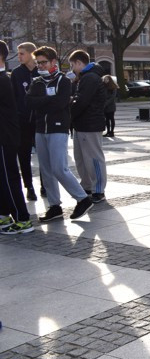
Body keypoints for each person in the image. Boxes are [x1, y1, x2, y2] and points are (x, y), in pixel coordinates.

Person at [27, 46, 94, 221]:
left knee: (59, 168)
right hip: (40, 128)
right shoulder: (37, 82)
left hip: (58, 128)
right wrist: (47, 101)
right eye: (38, 63)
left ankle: (82, 198)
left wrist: (43, 102)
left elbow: (60, 103)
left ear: (53, 62)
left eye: (44, 62)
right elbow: (29, 102)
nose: (40, 66)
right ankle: (54, 206)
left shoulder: (62, 81)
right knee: (46, 169)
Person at [0, 41, 33, 234]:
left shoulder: (3, 79)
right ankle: (4, 214)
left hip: (5, 137)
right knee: (2, 179)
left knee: (9, 177)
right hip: (4, 136)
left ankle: (22, 218)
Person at [69, 50, 108, 203]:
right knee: (81, 158)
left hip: (90, 123)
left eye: (73, 65)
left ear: (79, 62)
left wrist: (71, 107)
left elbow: (82, 101)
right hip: (82, 124)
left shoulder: (90, 77)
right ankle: (87, 186)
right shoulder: (85, 77)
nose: (72, 69)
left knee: (93, 158)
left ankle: (98, 189)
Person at [11, 42, 40, 201]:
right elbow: (15, 97)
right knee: (24, 156)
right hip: (22, 122)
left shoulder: (40, 71)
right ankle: (29, 186)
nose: (19, 56)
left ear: (31, 54)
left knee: (44, 155)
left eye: (22, 53)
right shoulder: (16, 73)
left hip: (40, 121)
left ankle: (45, 185)